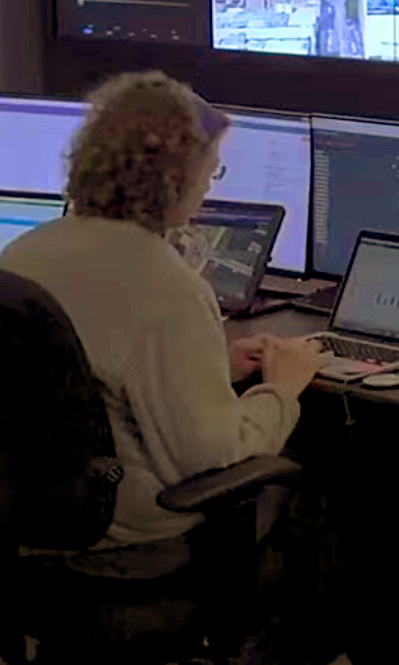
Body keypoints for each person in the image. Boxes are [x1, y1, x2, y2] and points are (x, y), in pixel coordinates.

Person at [0, 72, 345, 663]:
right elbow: (212, 458)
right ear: (178, 177)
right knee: (316, 484)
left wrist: (217, 365)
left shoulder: (26, 255)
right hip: (128, 549)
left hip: (26, 538)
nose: (210, 187)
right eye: (212, 170)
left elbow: (84, 383)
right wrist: (280, 391)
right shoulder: (164, 285)